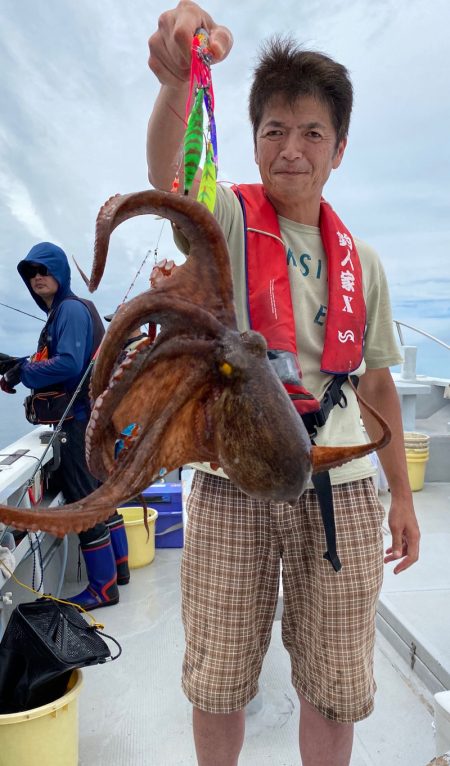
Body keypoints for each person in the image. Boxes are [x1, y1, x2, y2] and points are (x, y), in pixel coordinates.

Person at [146, 4, 420, 765]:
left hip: (342, 489)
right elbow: (171, 175)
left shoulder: (361, 260)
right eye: (273, 130)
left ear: (338, 149)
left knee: (335, 685)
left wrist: (400, 494)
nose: (291, 148)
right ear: (256, 137)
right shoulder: (227, 217)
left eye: (311, 133)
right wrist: (178, 84)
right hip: (233, 483)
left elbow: (378, 384)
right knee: (219, 678)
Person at [0, 242, 130, 608]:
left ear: (60, 272)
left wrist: (23, 371)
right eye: (31, 273)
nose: (38, 277)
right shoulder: (71, 310)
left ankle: (104, 588)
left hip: (79, 423)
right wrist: (17, 365)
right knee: (102, 499)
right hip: (95, 422)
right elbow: (62, 361)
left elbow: (69, 365)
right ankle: (119, 570)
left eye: (44, 270)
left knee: (83, 502)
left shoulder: (69, 309)